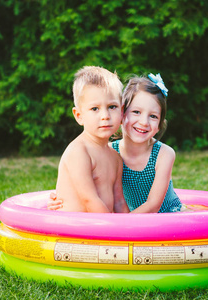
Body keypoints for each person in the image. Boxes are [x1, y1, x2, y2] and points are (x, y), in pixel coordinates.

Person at [51, 72, 187, 213]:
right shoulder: (93, 152)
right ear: (124, 114)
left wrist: (121, 227)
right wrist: (60, 199)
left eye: (153, 116)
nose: (143, 122)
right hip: (94, 225)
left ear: (119, 112)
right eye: (136, 112)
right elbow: (86, 197)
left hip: (165, 216)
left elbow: (128, 203)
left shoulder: (156, 155)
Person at [54, 66, 129, 213]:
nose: (105, 116)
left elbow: (119, 201)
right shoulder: (79, 151)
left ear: (121, 112)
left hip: (100, 226)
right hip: (75, 229)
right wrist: (113, 228)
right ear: (79, 116)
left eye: (112, 107)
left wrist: (131, 227)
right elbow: (88, 199)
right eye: (95, 109)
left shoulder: (115, 158)